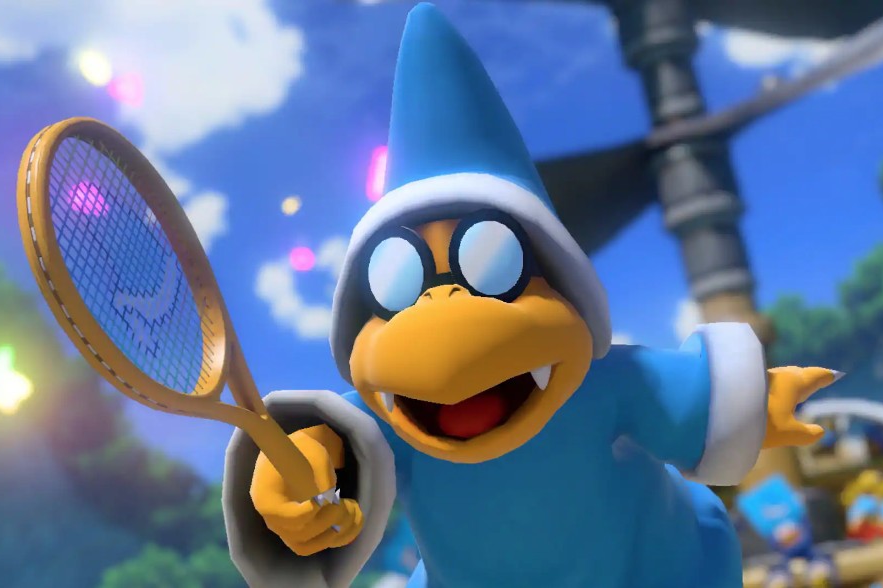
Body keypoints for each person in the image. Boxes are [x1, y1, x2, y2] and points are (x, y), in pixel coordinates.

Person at [221, 4, 840, 587]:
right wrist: (296, 470)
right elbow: (337, 448)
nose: (445, 319)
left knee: (699, 533)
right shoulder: (389, 425)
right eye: (397, 286)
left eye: (494, 266)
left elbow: (699, 399)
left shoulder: (602, 385)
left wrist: (758, 400)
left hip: (637, 566)